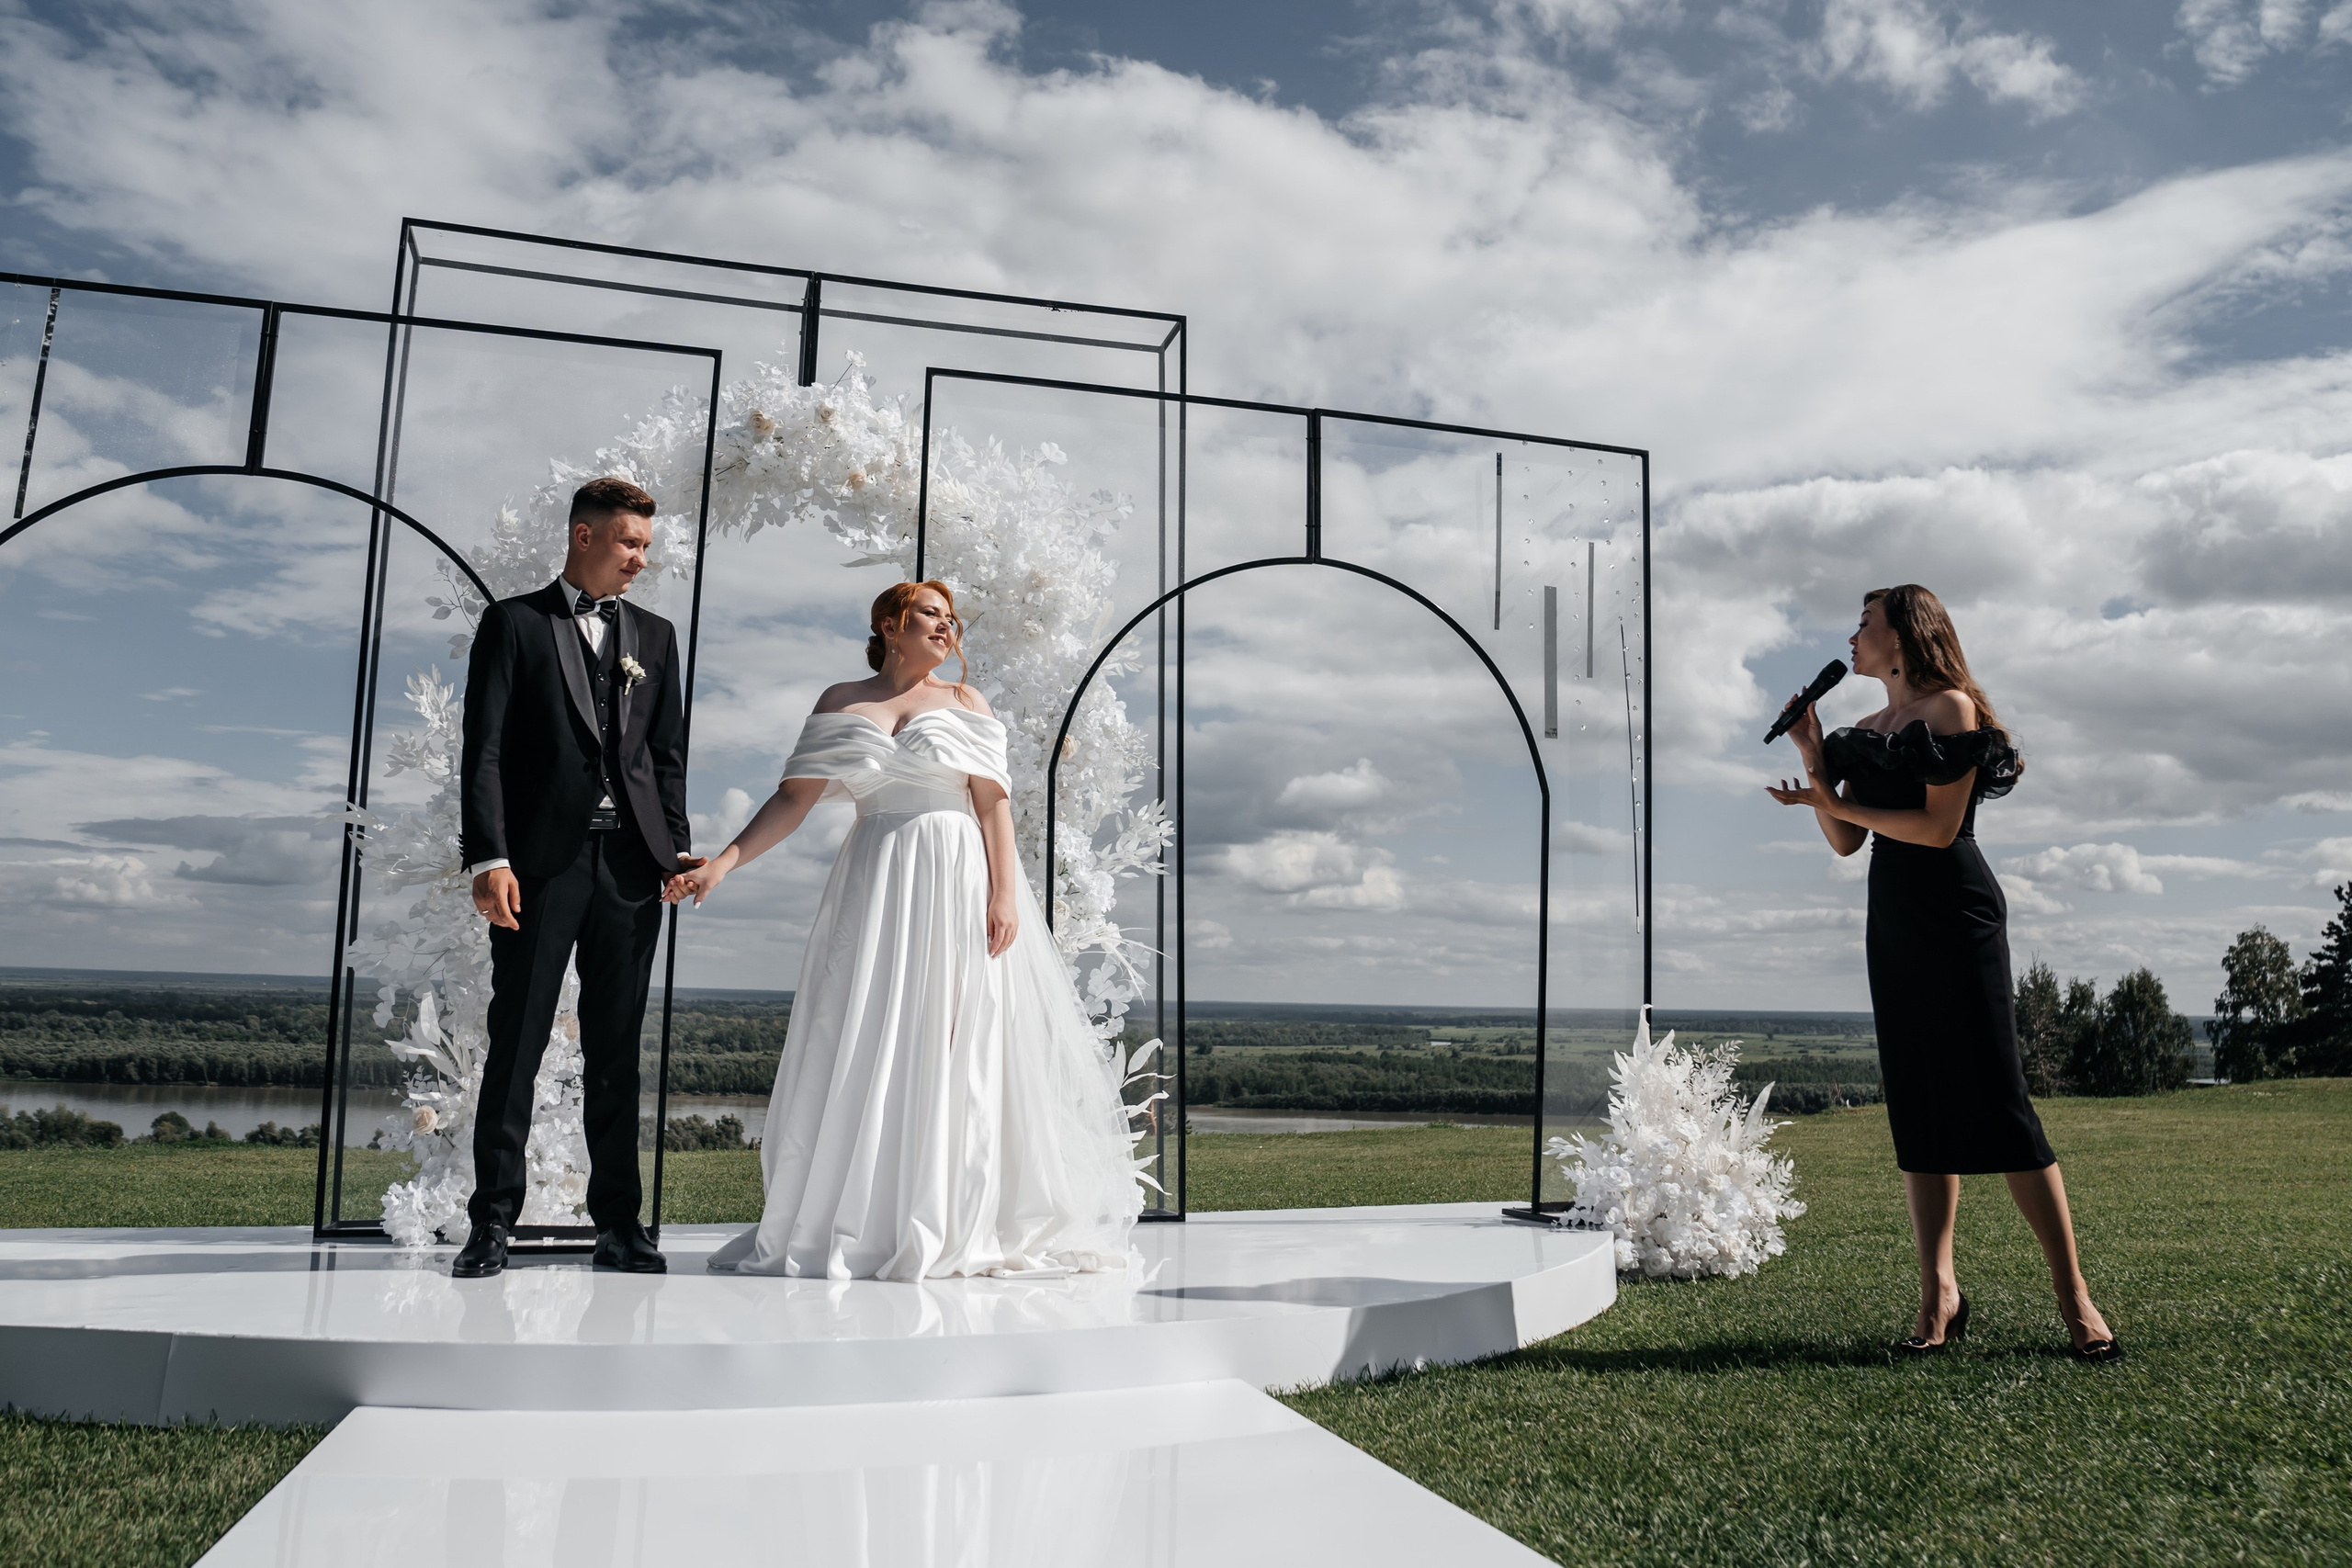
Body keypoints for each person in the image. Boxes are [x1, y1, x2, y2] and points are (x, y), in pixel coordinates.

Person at [668, 581, 1140, 1280]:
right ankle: (862, 1213)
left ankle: (947, 1210)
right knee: (860, 1030)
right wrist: (724, 865)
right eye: (931, 616)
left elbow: (992, 810)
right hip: (874, 877)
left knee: (952, 1037)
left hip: (954, 876)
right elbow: (793, 800)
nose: (947, 628)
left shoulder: (964, 703)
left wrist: (1005, 894)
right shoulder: (840, 700)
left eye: (953, 621)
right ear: (890, 624)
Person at [1766, 584, 2120, 1362]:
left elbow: (1936, 827)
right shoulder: (1863, 728)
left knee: (2002, 1104)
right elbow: (1843, 843)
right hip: (1893, 920)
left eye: (1865, 624)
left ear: (1903, 637)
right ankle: (1939, 1297)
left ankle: (2075, 1296)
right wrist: (1813, 753)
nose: (1852, 637)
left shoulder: (1950, 709)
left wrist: (1838, 803)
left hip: (1958, 915)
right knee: (1920, 1109)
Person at [453, 477, 694, 1280]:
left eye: (646, 547)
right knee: (516, 1042)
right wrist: (489, 857)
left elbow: (665, 759)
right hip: (538, 869)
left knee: (617, 1051)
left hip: (630, 871)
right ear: (584, 537)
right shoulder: (514, 623)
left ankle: (620, 1228)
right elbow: (483, 749)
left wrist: (675, 852)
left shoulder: (655, 638)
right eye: (629, 543)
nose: (640, 560)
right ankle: (490, 1224)